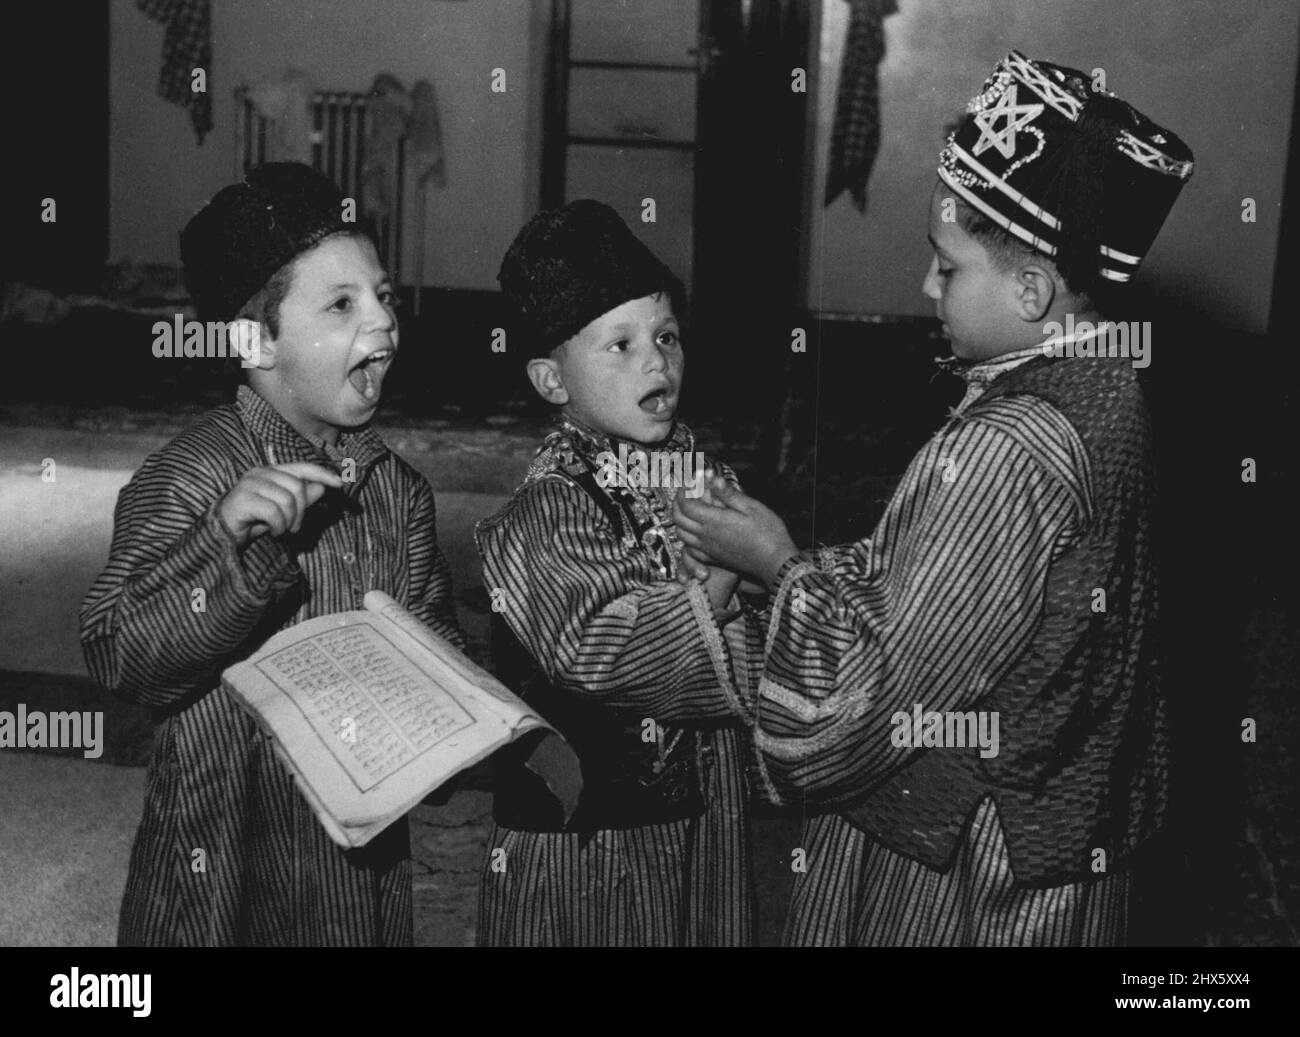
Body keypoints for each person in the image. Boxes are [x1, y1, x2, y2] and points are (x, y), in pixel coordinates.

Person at [674, 51, 1194, 946]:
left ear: (1032, 289)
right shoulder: (1114, 380)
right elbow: (955, 595)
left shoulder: (1002, 451)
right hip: (1069, 816)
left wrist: (775, 563)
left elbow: (880, 690)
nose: (926, 286)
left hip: (976, 861)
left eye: (945, 267)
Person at [80, 162, 464, 946]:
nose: (384, 324)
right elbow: (118, 653)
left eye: (384, 296)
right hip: (218, 853)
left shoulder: (397, 491)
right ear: (256, 340)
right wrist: (225, 545)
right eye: (342, 304)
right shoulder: (187, 478)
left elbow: (437, 650)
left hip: (352, 865)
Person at [475, 199, 768, 946]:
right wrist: (721, 583)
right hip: (590, 836)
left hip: (702, 815)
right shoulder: (549, 510)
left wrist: (766, 577)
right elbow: (596, 653)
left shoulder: (701, 476)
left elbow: (765, 629)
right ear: (551, 380)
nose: (656, 360)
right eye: (621, 344)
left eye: (667, 335)